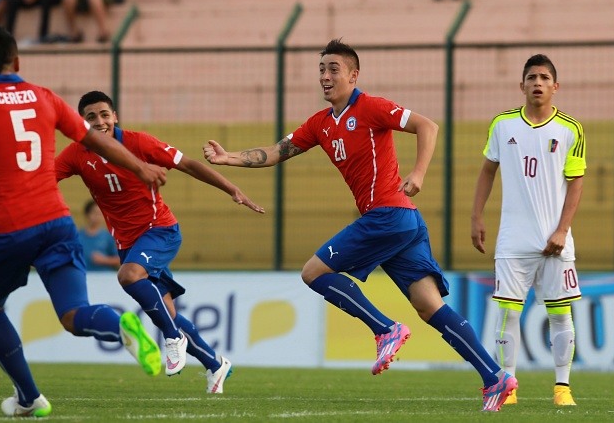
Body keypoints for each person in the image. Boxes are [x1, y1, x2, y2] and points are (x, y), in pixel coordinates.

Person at [204, 38, 517, 412]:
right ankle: (494, 377)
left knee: (313, 272)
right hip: (404, 223)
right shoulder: (320, 124)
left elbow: (427, 126)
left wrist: (418, 173)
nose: (325, 76)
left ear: (354, 75)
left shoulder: (370, 107)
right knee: (427, 305)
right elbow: (275, 152)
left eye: (333, 69)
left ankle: (385, 328)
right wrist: (228, 158)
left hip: (387, 215)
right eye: (321, 69)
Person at [0, 25, 166, 417]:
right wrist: (140, 166)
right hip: (57, 224)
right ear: (16, 62)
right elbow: (96, 139)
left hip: (6, 228)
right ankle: (117, 321)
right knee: (73, 315)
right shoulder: (45, 97)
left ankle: (30, 397)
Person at [55, 90, 265, 394]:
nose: (99, 121)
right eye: (91, 117)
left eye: (104, 114)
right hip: (127, 242)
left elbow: (189, 164)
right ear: (81, 123)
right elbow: (44, 178)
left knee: (128, 276)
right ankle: (215, 363)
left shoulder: (139, 143)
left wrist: (232, 188)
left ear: (115, 117)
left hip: (160, 230)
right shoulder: (76, 153)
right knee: (168, 311)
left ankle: (171, 338)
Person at [471, 54, 585, 406]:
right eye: (532, 77)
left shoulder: (571, 129)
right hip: (513, 239)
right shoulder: (503, 125)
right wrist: (476, 217)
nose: (538, 82)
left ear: (555, 86)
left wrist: (562, 230)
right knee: (508, 313)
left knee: (560, 313)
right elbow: (487, 170)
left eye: (544, 77)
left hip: (556, 240)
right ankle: (510, 387)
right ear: (521, 85)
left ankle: (562, 388)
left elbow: (576, 181)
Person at [78, 198, 119, 271]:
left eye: (100, 213)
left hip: (104, 277)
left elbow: (119, 260)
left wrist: (104, 260)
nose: (97, 216)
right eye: (94, 213)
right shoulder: (78, 236)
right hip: (83, 275)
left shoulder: (108, 236)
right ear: (87, 214)